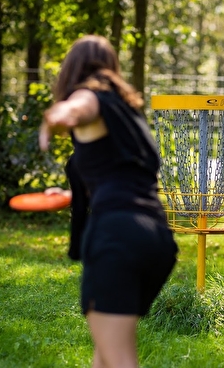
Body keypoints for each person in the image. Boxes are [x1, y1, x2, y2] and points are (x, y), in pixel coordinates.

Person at [39, 34, 178, 367]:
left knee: (119, 360)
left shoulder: (89, 96)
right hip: (156, 239)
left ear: (72, 69)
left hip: (118, 238)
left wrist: (58, 116)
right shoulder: (127, 115)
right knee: (104, 357)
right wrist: (72, 195)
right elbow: (123, 175)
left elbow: (79, 106)